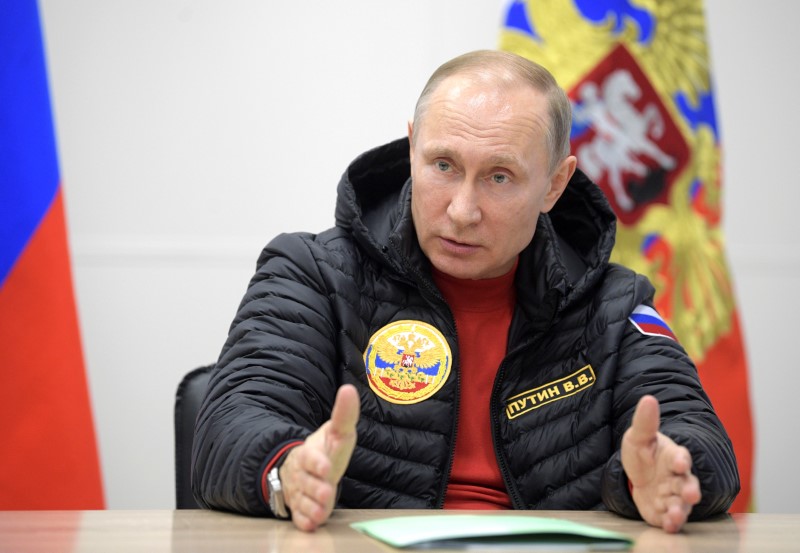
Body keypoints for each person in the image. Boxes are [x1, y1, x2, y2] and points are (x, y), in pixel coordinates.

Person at [192, 50, 739, 534]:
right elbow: (232, 421)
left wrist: (669, 471)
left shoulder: (615, 304)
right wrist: (288, 469)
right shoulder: (310, 273)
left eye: (499, 177)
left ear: (554, 184)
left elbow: (696, 433)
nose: (461, 210)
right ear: (413, 149)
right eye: (444, 165)